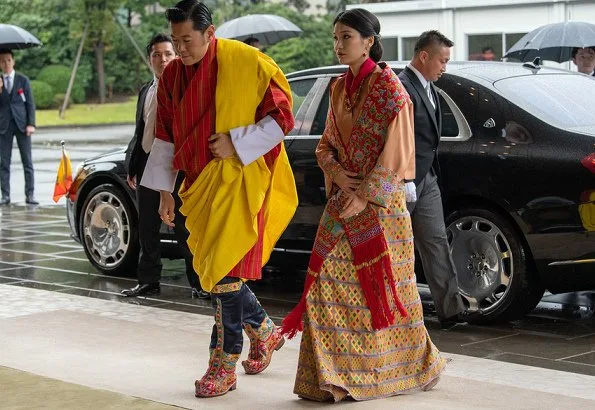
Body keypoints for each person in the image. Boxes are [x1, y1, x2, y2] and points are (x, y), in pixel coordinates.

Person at [282, 9, 446, 402]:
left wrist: (363, 195)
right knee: (324, 290)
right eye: (336, 37)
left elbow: (398, 156)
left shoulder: (391, 91)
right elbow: (325, 146)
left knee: (390, 295)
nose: (339, 45)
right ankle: (332, 379)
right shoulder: (339, 88)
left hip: (380, 211)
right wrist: (338, 177)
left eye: (347, 37)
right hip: (343, 201)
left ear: (369, 41)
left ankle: (411, 366)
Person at [140, 0, 297, 398]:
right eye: (176, 40)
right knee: (217, 274)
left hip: (237, 178)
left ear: (210, 34)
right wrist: (164, 192)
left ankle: (223, 365)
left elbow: (282, 119)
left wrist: (237, 142)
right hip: (197, 186)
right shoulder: (173, 75)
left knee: (223, 278)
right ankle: (265, 332)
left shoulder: (247, 62)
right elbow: (165, 136)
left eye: (188, 40)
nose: (182, 49)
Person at [121, 33, 209, 299]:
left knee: (184, 226)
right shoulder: (146, 89)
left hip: (177, 163)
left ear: (177, 56)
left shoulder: (185, 87)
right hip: (148, 163)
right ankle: (148, 280)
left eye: (168, 54)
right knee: (146, 226)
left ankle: (198, 282)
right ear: (150, 59)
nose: (163, 60)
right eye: (157, 55)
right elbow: (141, 131)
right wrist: (133, 165)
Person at [398, 31, 469, 329]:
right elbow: (397, 139)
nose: (445, 67)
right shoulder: (401, 86)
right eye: (442, 60)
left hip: (427, 178)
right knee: (398, 248)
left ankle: (450, 310)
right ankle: (396, 314)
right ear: (423, 56)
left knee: (436, 242)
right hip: (403, 180)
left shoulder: (430, 87)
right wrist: (405, 178)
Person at [0, 49, 37, 206]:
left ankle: (30, 195)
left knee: (27, 161)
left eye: (8, 60)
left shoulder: (23, 80)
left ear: (13, 61)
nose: (6, 63)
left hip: (22, 125)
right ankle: (5, 196)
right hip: (4, 126)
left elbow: (30, 103)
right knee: (4, 163)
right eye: (2, 61)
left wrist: (31, 124)